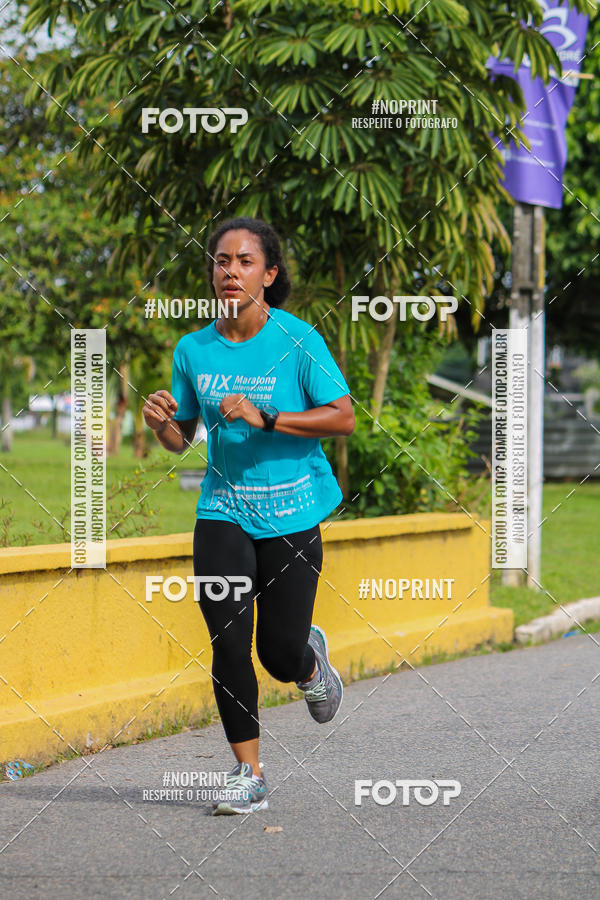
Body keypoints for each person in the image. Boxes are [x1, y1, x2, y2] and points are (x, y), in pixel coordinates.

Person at [142, 216, 354, 815]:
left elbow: (342, 416)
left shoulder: (297, 340)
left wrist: (268, 417)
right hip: (223, 510)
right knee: (229, 641)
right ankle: (248, 773)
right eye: (221, 260)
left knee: (276, 654)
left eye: (244, 261)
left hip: (292, 512)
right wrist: (162, 424)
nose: (230, 271)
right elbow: (182, 437)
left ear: (268, 274)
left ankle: (307, 661)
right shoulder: (193, 349)